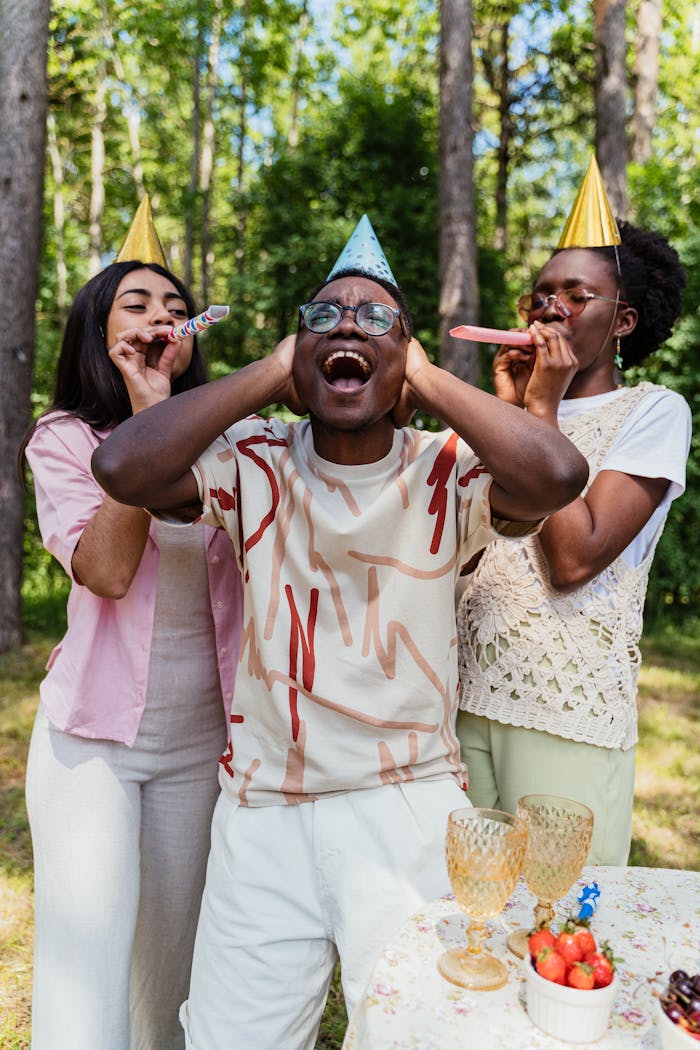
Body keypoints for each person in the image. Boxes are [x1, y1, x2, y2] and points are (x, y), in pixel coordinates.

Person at [92, 214, 588, 1050]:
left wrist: (422, 377)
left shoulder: (446, 467)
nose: (346, 326)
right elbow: (123, 467)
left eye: (374, 319)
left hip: (406, 808)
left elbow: (559, 474)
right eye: (321, 317)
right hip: (261, 816)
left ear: (406, 361)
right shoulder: (254, 459)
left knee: (420, 1034)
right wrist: (274, 369)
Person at [20, 231, 243, 1050]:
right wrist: (148, 418)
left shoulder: (230, 446)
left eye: (178, 309)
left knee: (171, 970)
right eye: (138, 303)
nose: (161, 318)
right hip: (94, 744)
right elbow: (108, 572)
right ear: (98, 328)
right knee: (87, 968)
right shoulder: (67, 441)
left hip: (201, 744)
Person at [456, 166, 691, 867]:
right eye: (542, 294)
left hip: (567, 712)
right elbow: (464, 554)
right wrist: (505, 416)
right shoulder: (510, 414)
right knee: (471, 917)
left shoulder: (652, 411)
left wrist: (537, 413)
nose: (548, 309)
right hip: (467, 698)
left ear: (622, 321)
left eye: (575, 295)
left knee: (558, 934)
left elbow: (572, 560)